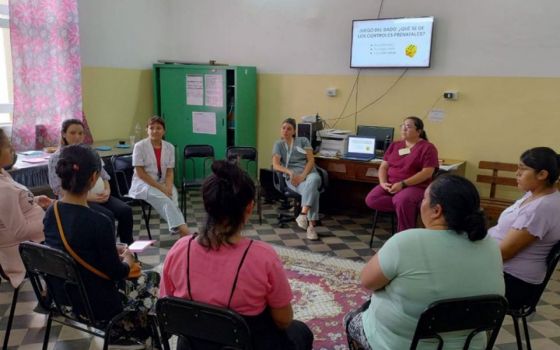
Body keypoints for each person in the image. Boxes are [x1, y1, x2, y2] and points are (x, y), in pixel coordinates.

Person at [160, 160, 313, 350]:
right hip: (247, 345)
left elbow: (167, 308)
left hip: (192, 346)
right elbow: (283, 320)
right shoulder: (263, 257)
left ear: (207, 205)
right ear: (249, 207)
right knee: (302, 332)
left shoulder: (179, 249)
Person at [345, 174, 504, 350]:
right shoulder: (490, 243)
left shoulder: (406, 241)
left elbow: (367, 281)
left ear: (436, 210)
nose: (421, 204)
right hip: (470, 345)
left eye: (424, 199)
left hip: (403, 344)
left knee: (351, 319)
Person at [43, 144, 160, 348]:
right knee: (152, 278)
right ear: (94, 177)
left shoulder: (51, 213)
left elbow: (72, 248)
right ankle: (134, 333)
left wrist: (109, 248)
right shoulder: (99, 221)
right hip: (96, 305)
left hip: (62, 299)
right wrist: (127, 259)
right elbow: (116, 273)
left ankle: (132, 331)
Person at [489, 147, 560, 309]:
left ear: (542, 175)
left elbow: (505, 253)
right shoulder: (534, 195)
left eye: (523, 169)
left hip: (514, 282)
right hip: (504, 272)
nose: (517, 173)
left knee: (449, 276)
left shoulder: (541, 208)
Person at [48, 119, 134, 245]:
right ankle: (110, 252)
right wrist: (90, 197)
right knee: (107, 217)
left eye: (80, 133)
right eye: (72, 133)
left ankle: (129, 249)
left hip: (101, 196)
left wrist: (107, 191)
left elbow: (104, 175)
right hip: (76, 200)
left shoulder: (91, 153)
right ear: (63, 134)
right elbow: (57, 188)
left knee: (125, 210)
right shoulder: (56, 158)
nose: (77, 137)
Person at [365, 116, 439, 232]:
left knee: (402, 200)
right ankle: (407, 208)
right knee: (372, 199)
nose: (404, 129)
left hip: (415, 186)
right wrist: (383, 183)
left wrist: (403, 184)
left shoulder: (428, 148)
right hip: (391, 184)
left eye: (408, 126)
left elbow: (427, 173)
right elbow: (383, 167)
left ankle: (404, 234)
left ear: (419, 131)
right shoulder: (395, 145)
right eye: (403, 126)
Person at [0, 128, 51, 288]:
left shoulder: (2, 174)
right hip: (23, 252)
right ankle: (58, 296)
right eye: (8, 146)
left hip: (33, 240)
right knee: (74, 242)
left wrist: (34, 201)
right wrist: (49, 222)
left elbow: (12, 207)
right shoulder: (3, 189)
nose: (12, 150)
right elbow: (19, 232)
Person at [129, 116, 189, 236]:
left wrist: (168, 187)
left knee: (173, 197)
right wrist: (161, 188)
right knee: (165, 200)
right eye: (151, 128)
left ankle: (177, 228)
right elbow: (141, 173)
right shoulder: (139, 146)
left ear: (164, 131)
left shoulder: (169, 147)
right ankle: (185, 232)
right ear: (147, 130)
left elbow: (170, 171)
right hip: (144, 184)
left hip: (163, 181)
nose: (155, 131)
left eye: (159, 128)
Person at [272, 117, 322, 240]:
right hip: (293, 177)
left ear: (294, 131)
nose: (285, 131)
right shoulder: (278, 145)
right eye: (283, 128)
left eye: (289, 129)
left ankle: (303, 214)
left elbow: (311, 160)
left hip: (309, 173)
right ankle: (311, 227)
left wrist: (303, 176)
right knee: (313, 191)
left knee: (314, 180)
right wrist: (289, 171)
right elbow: (276, 165)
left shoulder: (303, 141)